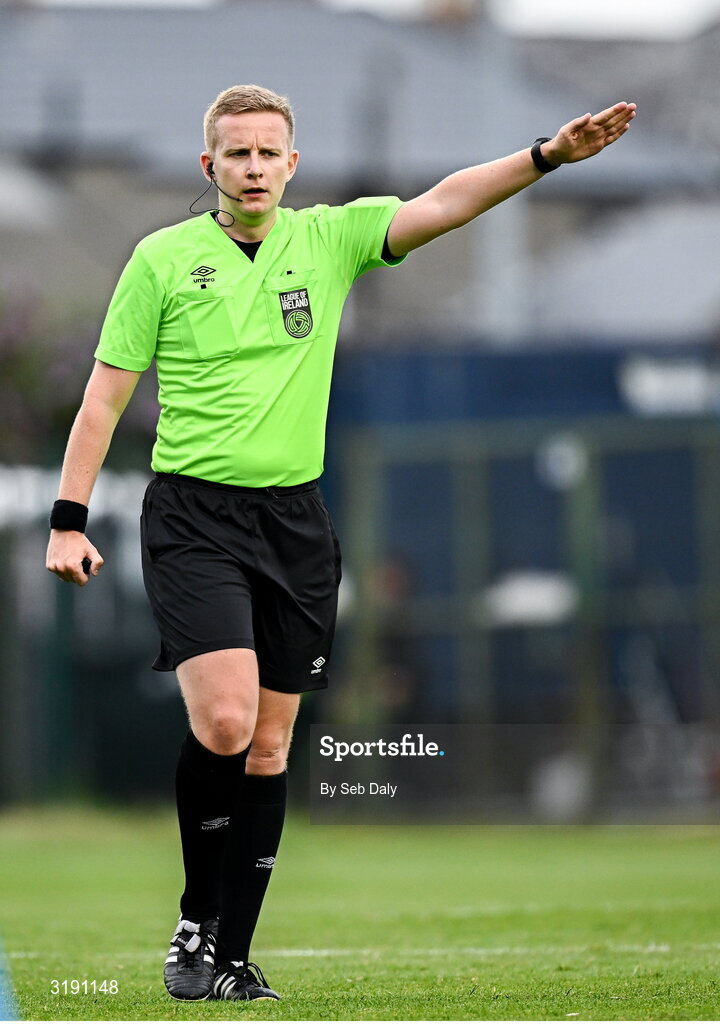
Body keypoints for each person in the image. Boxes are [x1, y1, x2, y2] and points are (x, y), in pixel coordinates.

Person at [45, 85, 636, 1002]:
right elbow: (103, 399)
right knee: (227, 723)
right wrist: (68, 521)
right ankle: (196, 921)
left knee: (273, 748)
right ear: (210, 168)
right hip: (193, 518)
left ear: (291, 164)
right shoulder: (161, 260)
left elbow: (445, 203)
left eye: (266, 152)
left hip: (295, 524)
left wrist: (547, 156)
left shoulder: (329, 240)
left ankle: (233, 959)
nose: (251, 167)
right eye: (234, 153)